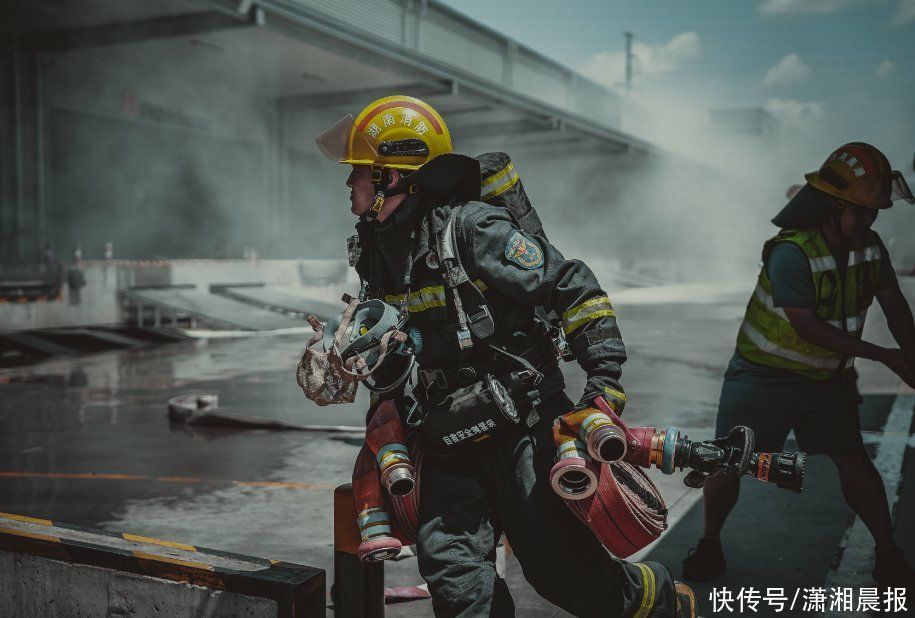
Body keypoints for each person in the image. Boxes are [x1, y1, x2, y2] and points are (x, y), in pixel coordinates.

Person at [315, 95, 696, 617]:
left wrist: (603, 384)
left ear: (392, 177)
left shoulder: (472, 229)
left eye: (358, 172)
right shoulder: (376, 249)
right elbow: (402, 342)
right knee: (456, 584)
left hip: (525, 426)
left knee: (564, 576)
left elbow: (573, 286)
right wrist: (367, 378)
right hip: (445, 434)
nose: (348, 184)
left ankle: (661, 602)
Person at [682, 143, 915, 587]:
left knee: (852, 458)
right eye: (862, 212)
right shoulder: (792, 252)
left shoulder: (869, 246)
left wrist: (913, 354)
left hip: (827, 379)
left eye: (875, 213)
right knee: (728, 461)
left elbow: (895, 306)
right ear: (834, 204)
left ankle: (888, 551)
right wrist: (888, 357)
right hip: (761, 377)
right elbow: (807, 328)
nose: (870, 221)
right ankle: (710, 543)